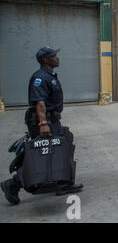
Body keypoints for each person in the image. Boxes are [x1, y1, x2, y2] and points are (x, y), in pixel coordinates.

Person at [1, 47, 83, 205]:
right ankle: (12, 185)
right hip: (44, 122)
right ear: (45, 60)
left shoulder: (49, 75)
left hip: (53, 120)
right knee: (40, 156)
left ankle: (63, 182)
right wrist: (43, 123)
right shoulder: (40, 77)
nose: (57, 58)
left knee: (63, 145)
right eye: (53, 56)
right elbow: (39, 102)